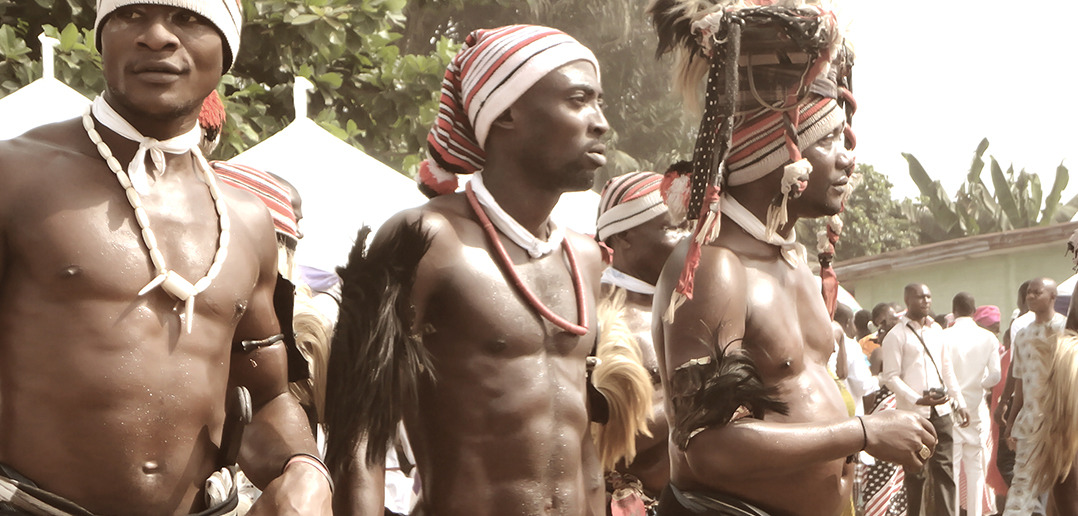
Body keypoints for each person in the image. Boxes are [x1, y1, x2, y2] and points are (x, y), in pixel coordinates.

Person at [0, 0, 332, 513]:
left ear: (226, 51)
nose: (157, 36)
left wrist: (304, 469)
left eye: (190, 18)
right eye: (132, 14)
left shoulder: (247, 222)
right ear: (101, 37)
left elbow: (265, 396)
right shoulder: (15, 177)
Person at [648, 2, 936, 514]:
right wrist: (863, 431)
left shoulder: (794, 266)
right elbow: (704, 447)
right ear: (775, 152)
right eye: (828, 139)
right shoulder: (716, 267)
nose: (849, 157)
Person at [324, 25, 612, 515]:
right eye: (578, 100)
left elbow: (580, 438)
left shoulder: (583, 257)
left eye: (599, 102)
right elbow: (358, 434)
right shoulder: (423, 240)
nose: (601, 122)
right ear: (507, 115)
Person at [594, 170, 686, 512]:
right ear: (625, 236)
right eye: (671, 227)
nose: (687, 238)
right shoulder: (602, 317)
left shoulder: (682, 307)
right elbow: (606, 435)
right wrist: (704, 398)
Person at [880, 283, 970, 515]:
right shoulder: (896, 335)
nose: (926, 301)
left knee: (946, 471)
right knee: (916, 473)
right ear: (907, 299)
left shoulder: (937, 330)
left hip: (941, 411)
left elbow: (946, 369)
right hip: (913, 415)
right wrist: (917, 399)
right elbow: (890, 377)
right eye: (920, 297)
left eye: (929, 296)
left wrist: (959, 401)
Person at [1003, 277, 1065, 515]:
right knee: (1021, 487)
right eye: (1028, 293)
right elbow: (1020, 382)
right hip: (1028, 424)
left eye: (1036, 293)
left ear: (1052, 296)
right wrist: (1011, 420)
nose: (1030, 297)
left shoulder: (1065, 332)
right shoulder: (1023, 336)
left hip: (1060, 422)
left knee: (1059, 484)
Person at [944, 294, 1002, 516]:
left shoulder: (944, 337)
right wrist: (980, 386)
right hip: (976, 408)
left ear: (954, 310)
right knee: (976, 468)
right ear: (974, 310)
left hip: (950, 408)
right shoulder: (988, 338)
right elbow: (995, 376)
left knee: (953, 467)